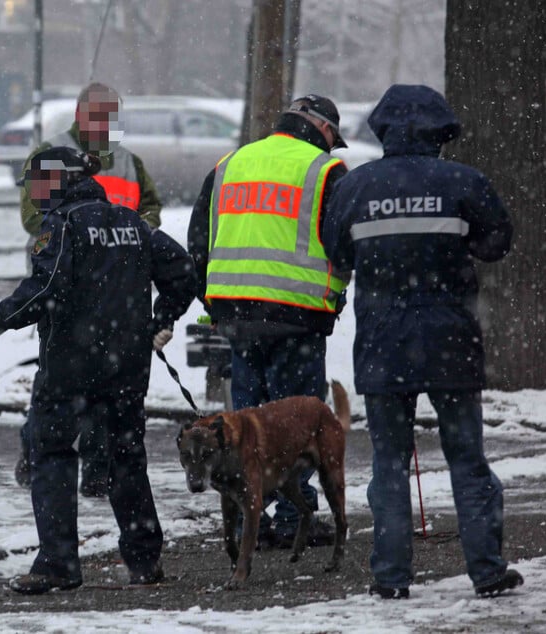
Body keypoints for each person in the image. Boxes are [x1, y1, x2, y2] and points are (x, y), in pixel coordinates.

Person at [321, 84, 520, 599]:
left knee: (388, 462)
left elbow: (336, 254)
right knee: (467, 458)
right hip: (451, 339)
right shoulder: (463, 181)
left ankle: (390, 578)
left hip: (383, 343)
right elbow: (499, 239)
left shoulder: (356, 187)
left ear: (384, 131)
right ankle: (487, 570)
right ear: (440, 133)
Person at [0, 146, 195, 595]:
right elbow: (184, 270)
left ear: (57, 181)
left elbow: (48, 284)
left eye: (37, 186)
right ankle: (145, 558)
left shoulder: (64, 224)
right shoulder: (132, 222)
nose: (33, 196)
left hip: (71, 367)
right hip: (127, 367)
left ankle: (58, 564)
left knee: (51, 452)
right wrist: (161, 320)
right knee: (126, 457)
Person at [186, 94, 351, 548]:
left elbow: (198, 239)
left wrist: (214, 302)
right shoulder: (324, 171)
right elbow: (343, 241)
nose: (333, 148)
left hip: (237, 319)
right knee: (295, 424)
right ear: (323, 129)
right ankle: (290, 519)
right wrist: (333, 299)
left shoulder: (230, 164)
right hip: (297, 317)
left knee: (246, 426)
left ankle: (245, 522)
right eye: (333, 139)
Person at [14, 82, 164, 495]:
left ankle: (96, 472)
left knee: (108, 382)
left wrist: (136, 233)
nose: (105, 124)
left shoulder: (127, 160)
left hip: (118, 289)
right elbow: (33, 215)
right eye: (98, 115)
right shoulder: (50, 153)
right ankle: (35, 448)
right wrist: (85, 229)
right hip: (67, 288)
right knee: (58, 379)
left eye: (111, 116)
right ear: (80, 114)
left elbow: (151, 206)